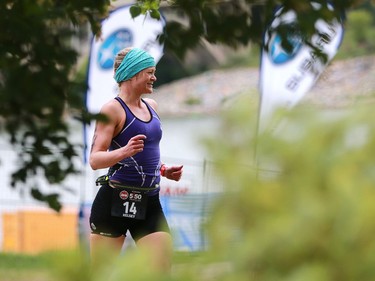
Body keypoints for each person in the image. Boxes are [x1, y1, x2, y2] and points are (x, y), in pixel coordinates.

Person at [89, 47, 183, 272]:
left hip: (149, 201)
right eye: (150, 72)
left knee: (162, 271)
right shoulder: (112, 110)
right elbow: (95, 159)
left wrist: (162, 169)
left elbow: (145, 154)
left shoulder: (152, 107)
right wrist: (123, 152)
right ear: (133, 73)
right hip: (115, 199)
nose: (154, 77)